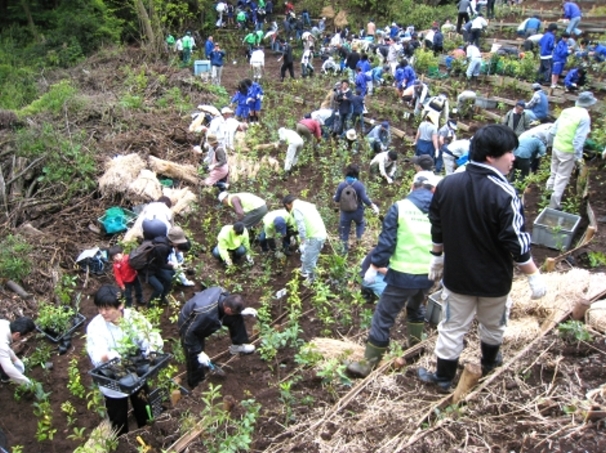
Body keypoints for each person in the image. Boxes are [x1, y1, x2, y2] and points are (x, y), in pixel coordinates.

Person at [417, 124, 547, 393]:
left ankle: (443, 379)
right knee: (493, 325)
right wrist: (533, 275)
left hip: (457, 277)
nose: (513, 158)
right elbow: (517, 241)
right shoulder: (504, 193)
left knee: (452, 327)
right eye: (509, 152)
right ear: (491, 156)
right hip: (494, 281)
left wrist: (437, 258)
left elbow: (437, 224)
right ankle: (489, 365)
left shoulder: (448, 184)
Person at [347, 173, 441, 378]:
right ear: (433, 189)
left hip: (403, 276)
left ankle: (368, 362)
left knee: (384, 315)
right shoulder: (443, 208)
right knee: (416, 306)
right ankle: (415, 347)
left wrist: (374, 266)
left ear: (413, 186)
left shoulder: (400, 207)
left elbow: (387, 242)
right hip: (428, 274)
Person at [86, 285, 163, 435]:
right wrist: (106, 356)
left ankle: (148, 435)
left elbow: (151, 337)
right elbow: (97, 353)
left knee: (145, 410)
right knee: (118, 420)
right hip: (112, 384)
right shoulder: (96, 327)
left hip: (137, 374)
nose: (102, 313)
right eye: (100, 308)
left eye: (107, 309)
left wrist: (151, 350)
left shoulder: (133, 318)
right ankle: (123, 442)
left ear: (120, 305)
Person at [178, 288, 256, 389]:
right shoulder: (206, 315)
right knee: (193, 354)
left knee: (235, 318)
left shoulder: (223, 293)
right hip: (188, 323)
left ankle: (238, 345)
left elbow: (232, 309)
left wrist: (241, 311)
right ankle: (196, 383)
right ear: (227, 309)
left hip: (203, 314)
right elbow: (189, 334)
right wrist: (198, 352)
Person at [546, 91, 596, 210]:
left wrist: (549, 144)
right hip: (568, 150)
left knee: (553, 173)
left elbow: (553, 130)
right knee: (562, 177)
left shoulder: (566, 111)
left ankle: (547, 194)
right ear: (589, 104)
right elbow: (579, 139)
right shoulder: (584, 117)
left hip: (557, 146)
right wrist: (578, 157)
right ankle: (554, 205)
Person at [333, 164, 380, 253]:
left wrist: (336, 208)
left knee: (344, 230)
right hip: (358, 211)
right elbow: (365, 199)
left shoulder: (341, 185)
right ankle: (359, 239)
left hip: (345, 213)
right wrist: (373, 206)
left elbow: (336, 200)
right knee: (360, 223)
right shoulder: (359, 185)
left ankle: (344, 250)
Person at [282, 195, 327, 282]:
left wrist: (302, 239)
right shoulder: (306, 204)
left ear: (287, 205)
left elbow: (301, 225)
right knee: (306, 254)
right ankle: (304, 270)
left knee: (310, 259)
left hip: (315, 236)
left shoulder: (296, 209)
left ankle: (311, 279)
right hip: (317, 233)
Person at [0, 317, 35, 385]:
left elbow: (4, 349)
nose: (22, 339)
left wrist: (15, 359)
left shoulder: (5, 323)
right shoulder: (2, 344)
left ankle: (4, 377)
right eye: (22, 337)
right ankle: (5, 378)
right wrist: (27, 383)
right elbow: (9, 369)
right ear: (17, 334)